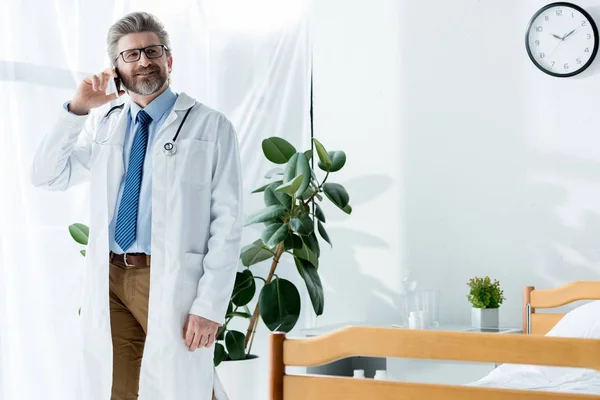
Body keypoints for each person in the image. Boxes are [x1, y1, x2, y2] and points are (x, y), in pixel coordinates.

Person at [30, 11, 242, 400]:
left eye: (152, 51)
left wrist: (209, 304)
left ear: (169, 61)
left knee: (186, 387)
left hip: (168, 277)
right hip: (110, 276)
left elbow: (227, 224)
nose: (143, 61)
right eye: (131, 55)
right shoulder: (104, 123)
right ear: (115, 70)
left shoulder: (210, 126)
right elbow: (47, 175)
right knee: (118, 388)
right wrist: (77, 109)